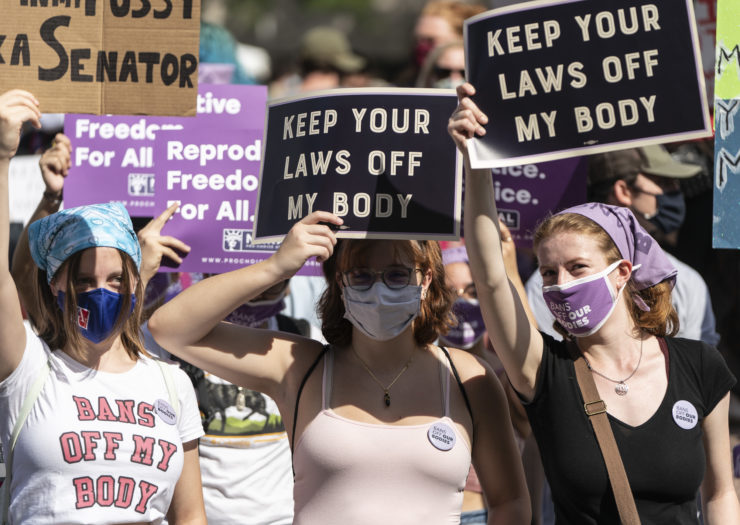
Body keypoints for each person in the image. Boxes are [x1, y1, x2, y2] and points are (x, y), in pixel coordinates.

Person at [449, 82, 740, 524]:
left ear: (622, 272)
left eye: (577, 268)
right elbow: (491, 279)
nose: (560, 284)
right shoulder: (545, 370)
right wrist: (477, 163)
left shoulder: (698, 365)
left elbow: (720, 495)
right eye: (548, 272)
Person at [148, 210, 530, 524]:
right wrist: (277, 266)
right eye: (360, 276)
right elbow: (170, 328)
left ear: (427, 278)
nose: (379, 290)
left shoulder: (467, 377)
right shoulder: (300, 368)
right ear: (339, 284)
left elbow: (510, 500)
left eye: (397, 275)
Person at [0, 90, 206, 524]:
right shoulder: (29, 369)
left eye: (115, 279)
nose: (101, 292)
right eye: (83, 281)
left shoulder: (172, 384)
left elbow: (189, 516)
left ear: (136, 281)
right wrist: (2, 157)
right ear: (57, 284)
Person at [525, 145, 720, 345]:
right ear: (623, 191)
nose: (675, 192)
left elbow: (698, 365)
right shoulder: (550, 286)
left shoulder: (685, 279)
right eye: (663, 182)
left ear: (624, 271)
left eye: (578, 267)